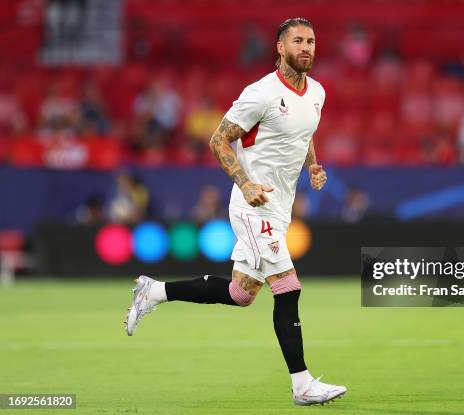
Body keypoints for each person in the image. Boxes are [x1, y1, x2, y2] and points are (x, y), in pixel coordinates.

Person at [124, 18, 347, 406]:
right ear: (280, 47)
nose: (306, 47)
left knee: (240, 294)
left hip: (279, 208)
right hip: (251, 204)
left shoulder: (317, 93)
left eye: (311, 40)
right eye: (298, 41)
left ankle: (155, 291)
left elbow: (304, 132)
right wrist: (244, 183)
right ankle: (303, 385)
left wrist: (312, 164)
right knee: (288, 287)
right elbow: (219, 139)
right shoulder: (260, 93)